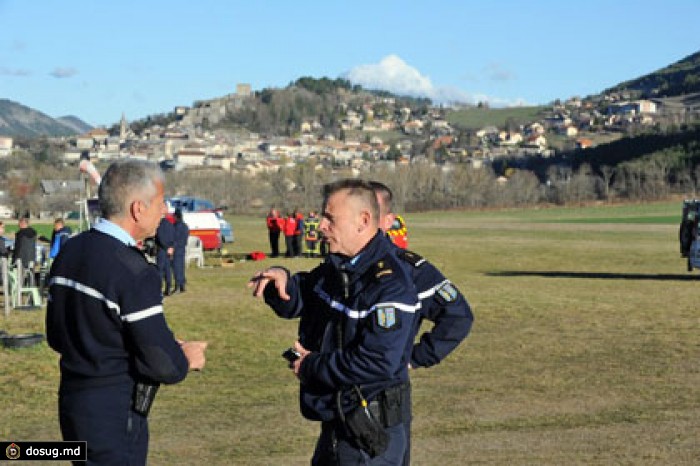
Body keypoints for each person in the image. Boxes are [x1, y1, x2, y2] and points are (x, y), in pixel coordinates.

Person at [46, 158, 207, 465]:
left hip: (73, 402)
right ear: (138, 208)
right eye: (160, 203)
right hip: (114, 412)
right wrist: (185, 357)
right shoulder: (133, 271)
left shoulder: (71, 249)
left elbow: (57, 335)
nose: (165, 211)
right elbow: (164, 365)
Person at [248, 179, 419, 465]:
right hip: (341, 422)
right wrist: (280, 281)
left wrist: (311, 365)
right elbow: (305, 293)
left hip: (369, 434)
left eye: (330, 218)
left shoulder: (389, 285)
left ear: (363, 221)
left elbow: (378, 361)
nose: (321, 226)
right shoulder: (340, 267)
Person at [370, 180, 474, 466]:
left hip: (385, 401)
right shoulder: (339, 268)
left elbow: (458, 315)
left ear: (389, 221)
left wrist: (416, 357)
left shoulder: (410, 269)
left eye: (371, 214)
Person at [155, 216, 175, 295]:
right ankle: (168, 288)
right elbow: (174, 237)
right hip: (169, 250)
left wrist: (166, 247)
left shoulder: (160, 225)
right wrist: (171, 247)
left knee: (160, 270)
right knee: (168, 270)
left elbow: (160, 237)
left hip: (162, 250)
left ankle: (159, 289)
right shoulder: (170, 225)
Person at [171, 208, 189, 293]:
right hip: (182, 249)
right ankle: (182, 285)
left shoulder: (176, 226)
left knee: (176, 268)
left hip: (177, 249)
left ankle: (177, 286)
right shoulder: (185, 226)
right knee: (181, 267)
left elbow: (175, 238)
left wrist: (172, 248)